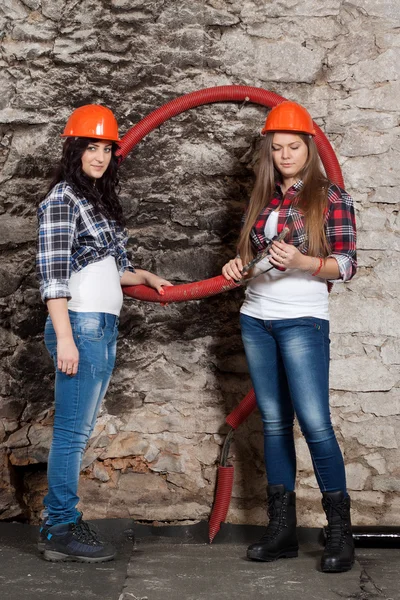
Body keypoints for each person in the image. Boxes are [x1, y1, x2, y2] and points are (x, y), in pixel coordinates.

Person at [222, 101, 357, 573]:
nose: (284, 155)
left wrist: (302, 263)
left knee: (315, 423)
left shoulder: (330, 198)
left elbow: (347, 264)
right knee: (275, 423)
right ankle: (281, 532)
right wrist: (235, 264)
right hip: (256, 316)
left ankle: (340, 531)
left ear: (309, 149)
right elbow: (248, 260)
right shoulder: (262, 199)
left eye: (293, 147)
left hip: (302, 318)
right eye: (276, 148)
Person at [36, 105, 172, 563]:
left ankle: (60, 521)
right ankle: (58, 527)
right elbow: (54, 278)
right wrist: (67, 339)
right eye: (90, 147)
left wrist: (145, 276)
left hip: (103, 326)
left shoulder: (95, 200)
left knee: (80, 431)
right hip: (80, 326)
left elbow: (105, 269)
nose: (99, 156)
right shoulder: (62, 199)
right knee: (72, 435)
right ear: (74, 150)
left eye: (106, 149)